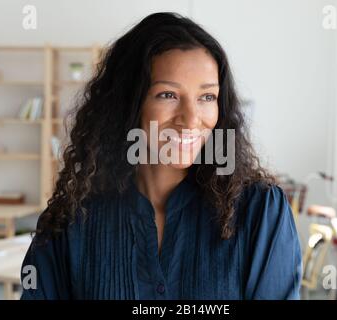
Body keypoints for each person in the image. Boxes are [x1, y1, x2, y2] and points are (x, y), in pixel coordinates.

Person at [20, 12, 302, 300]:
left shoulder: (260, 212)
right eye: (168, 95)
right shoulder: (72, 221)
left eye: (207, 97)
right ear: (128, 104)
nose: (191, 119)